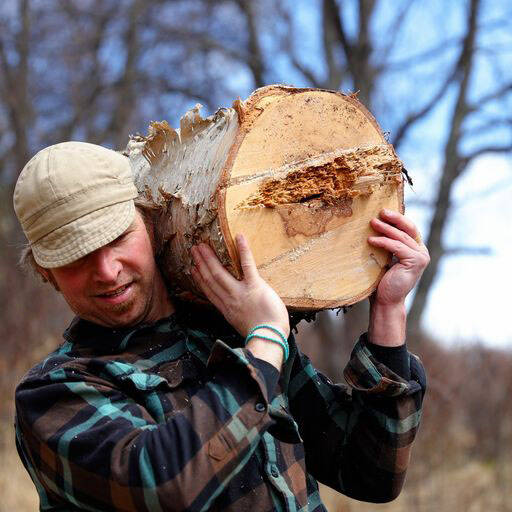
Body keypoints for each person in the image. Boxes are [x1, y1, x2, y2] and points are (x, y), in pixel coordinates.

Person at [13, 141, 428, 512]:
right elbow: (168, 487)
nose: (106, 270)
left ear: (150, 223)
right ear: (46, 272)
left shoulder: (231, 327)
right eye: (77, 256)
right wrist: (264, 342)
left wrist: (388, 313)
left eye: (117, 237)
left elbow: (370, 473)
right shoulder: (54, 394)